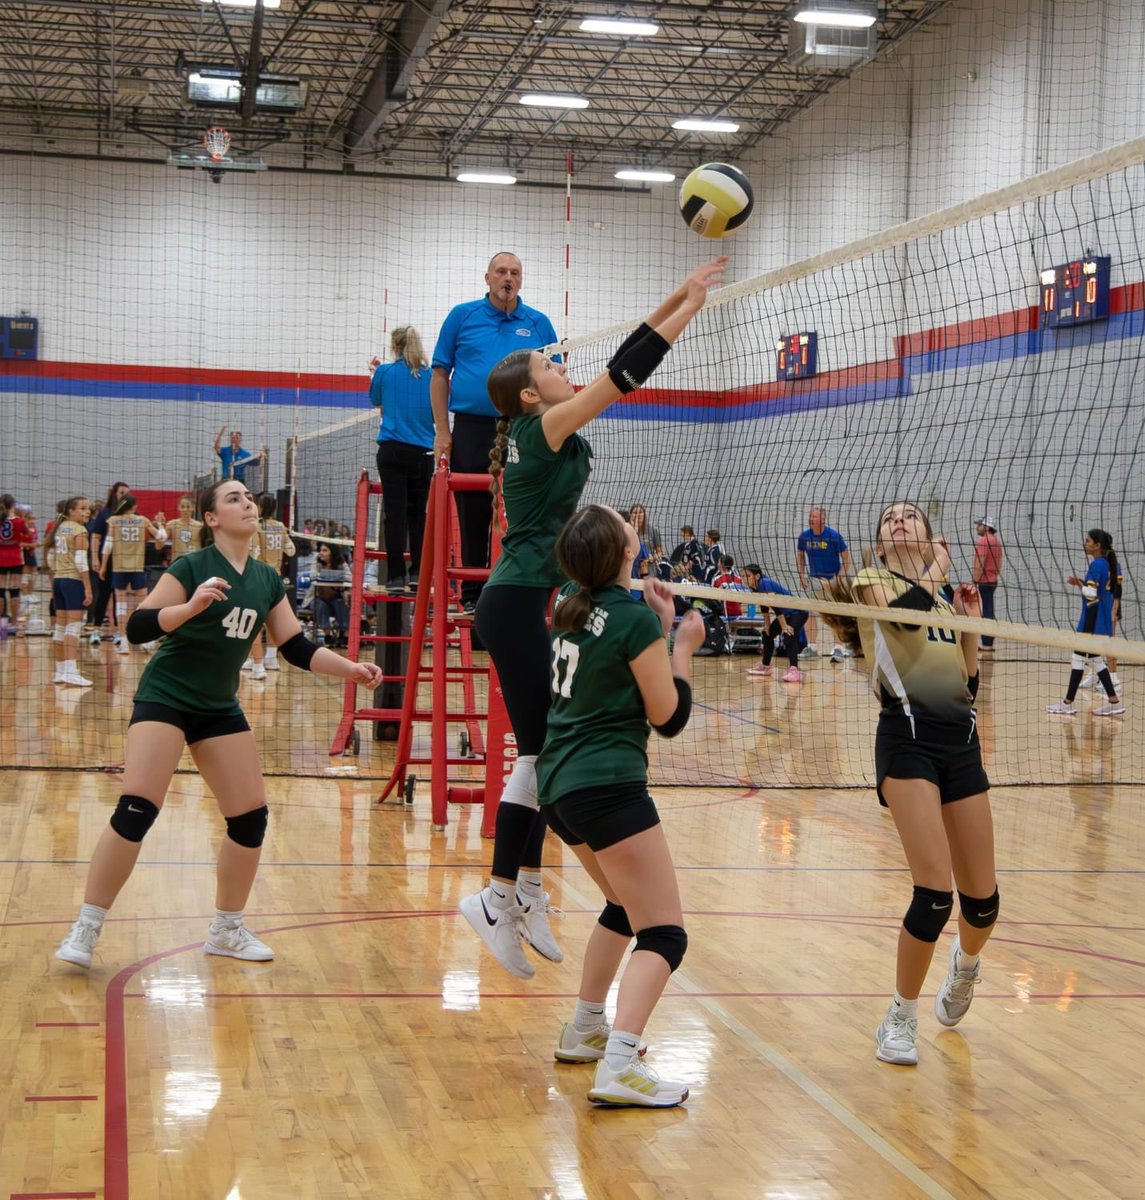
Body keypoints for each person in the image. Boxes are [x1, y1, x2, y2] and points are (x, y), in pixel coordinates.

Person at [461, 257, 728, 979]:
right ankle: (499, 891)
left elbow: (616, 370)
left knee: (539, 754)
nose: (560, 366)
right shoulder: (544, 427)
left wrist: (682, 291)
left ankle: (521, 886)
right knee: (536, 754)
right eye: (548, 365)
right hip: (514, 602)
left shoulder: (538, 429)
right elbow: (623, 375)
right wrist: (688, 309)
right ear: (527, 394)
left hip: (526, 599)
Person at [56, 479, 384, 970]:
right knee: (137, 809)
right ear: (211, 519)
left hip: (217, 705)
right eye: (234, 498)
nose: (247, 503)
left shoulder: (266, 578)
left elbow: (293, 646)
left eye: (249, 497)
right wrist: (190, 608)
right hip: (166, 696)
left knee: (250, 817)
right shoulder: (192, 566)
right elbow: (138, 627)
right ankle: (87, 926)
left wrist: (351, 669)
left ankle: (226, 929)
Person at [533, 506, 705, 1107]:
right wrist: (682, 643)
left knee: (622, 906)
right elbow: (670, 718)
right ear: (625, 551)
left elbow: (621, 663)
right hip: (608, 786)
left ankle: (586, 1028)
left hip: (559, 787)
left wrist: (656, 627)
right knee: (665, 935)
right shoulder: (630, 619)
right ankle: (621, 1063)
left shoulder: (571, 605)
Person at [823, 501, 998, 1067]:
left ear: (927, 535)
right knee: (933, 895)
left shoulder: (942, 597)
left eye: (910, 517)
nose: (899, 521)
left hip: (961, 741)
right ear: (880, 542)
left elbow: (968, 678)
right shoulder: (874, 582)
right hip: (906, 739)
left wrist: (970, 623)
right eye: (889, 518)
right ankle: (900, 1014)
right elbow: (901, 619)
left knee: (983, 905)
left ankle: (965, 967)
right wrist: (939, 574)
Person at [431, 252, 559, 609]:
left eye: (514, 273)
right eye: (501, 272)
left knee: (524, 505)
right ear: (487, 278)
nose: (508, 278)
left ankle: (519, 590)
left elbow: (556, 377)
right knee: (472, 509)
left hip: (524, 426)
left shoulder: (538, 324)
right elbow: (440, 375)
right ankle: (472, 597)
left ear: (521, 280)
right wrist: (443, 431)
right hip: (472, 427)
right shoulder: (462, 316)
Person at [370, 325, 434, 594]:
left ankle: (395, 577)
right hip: (423, 452)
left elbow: (376, 400)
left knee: (394, 515)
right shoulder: (432, 376)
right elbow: (437, 410)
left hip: (393, 450)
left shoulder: (384, 372)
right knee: (418, 515)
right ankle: (418, 573)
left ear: (394, 346)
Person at [1046, 528, 1124, 717]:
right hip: (1102, 620)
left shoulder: (1097, 564)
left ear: (1097, 545)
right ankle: (1113, 702)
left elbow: (1091, 594)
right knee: (1096, 660)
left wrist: (1081, 586)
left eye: (1088, 541)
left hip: (1091, 621)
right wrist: (1081, 582)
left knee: (1078, 658)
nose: (1085, 543)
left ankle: (1068, 703)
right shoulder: (1113, 564)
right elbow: (1112, 591)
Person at [99, 494, 167, 654]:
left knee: (120, 606)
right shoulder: (142, 520)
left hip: (119, 568)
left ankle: (122, 640)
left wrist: (103, 566)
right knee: (143, 605)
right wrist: (161, 525)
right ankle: (145, 640)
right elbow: (161, 537)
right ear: (134, 506)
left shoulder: (114, 520)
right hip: (137, 567)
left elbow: (107, 545)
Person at [48, 496, 94, 686]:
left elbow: (51, 557)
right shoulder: (80, 530)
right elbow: (81, 561)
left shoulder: (59, 527)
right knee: (73, 627)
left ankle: (60, 671)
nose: (87, 512)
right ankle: (71, 671)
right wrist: (88, 587)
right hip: (73, 580)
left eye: (88, 508)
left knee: (60, 626)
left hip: (59, 580)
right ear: (71, 511)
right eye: (82, 508)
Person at [796, 505, 852, 661]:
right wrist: (802, 574)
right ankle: (812, 648)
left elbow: (847, 559)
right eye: (810, 516)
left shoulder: (834, 536)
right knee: (810, 613)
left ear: (822, 519)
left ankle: (839, 649)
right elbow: (800, 555)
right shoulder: (804, 537)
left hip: (832, 581)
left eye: (813, 516)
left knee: (836, 615)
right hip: (814, 580)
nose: (810, 519)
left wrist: (838, 580)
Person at [742, 563, 808, 682]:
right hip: (786, 615)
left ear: (757, 576)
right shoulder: (755, 588)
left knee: (789, 635)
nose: (744, 579)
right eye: (743, 576)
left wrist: (784, 627)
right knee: (767, 634)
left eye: (747, 576)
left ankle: (794, 670)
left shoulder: (764, 583)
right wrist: (767, 626)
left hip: (798, 612)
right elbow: (765, 607)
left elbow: (777, 607)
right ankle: (766, 666)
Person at [87, 481, 129, 645]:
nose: (124, 496)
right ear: (114, 494)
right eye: (121, 493)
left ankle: (120, 633)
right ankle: (96, 630)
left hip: (123, 563)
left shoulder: (129, 514)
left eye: (127, 493)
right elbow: (95, 536)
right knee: (103, 596)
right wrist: (95, 558)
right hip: (106, 561)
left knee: (120, 598)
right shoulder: (105, 513)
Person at [0, 493, 33, 634]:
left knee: (0, 590)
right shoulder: (19, 521)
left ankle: (1, 623)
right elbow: (29, 535)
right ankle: (14, 623)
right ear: (13, 505)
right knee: (15, 591)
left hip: (0, 558)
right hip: (15, 558)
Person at [307, 542, 351, 647]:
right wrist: (323, 574)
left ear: (332, 553)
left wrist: (339, 577)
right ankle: (327, 636)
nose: (321, 553)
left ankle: (344, 635)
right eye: (321, 550)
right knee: (322, 605)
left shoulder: (341, 563)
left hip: (335, 598)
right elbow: (312, 575)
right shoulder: (317, 562)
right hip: (317, 598)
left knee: (341, 604)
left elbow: (349, 576)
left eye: (325, 550)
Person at [971, 517, 1003, 649]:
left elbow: (980, 562)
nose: (977, 527)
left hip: (984, 581)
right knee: (988, 608)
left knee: (986, 611)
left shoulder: (983, 541)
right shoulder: (997, 542)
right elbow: (1000, 562)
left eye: (979, 524)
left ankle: (987, 643)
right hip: (993, 580)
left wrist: (975, 580)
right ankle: (987, 642)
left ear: (987, 527)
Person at [166, 495, 203, 565]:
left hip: (194, 563)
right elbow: (158, 546)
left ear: (193, 508)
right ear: (178, 507)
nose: (185, 509)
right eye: (182, 507)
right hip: (177, 563)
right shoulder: (171, 524)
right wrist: (160, 529)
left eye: (188, 507)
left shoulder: (200, 526)